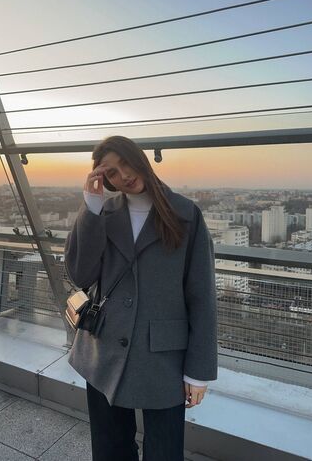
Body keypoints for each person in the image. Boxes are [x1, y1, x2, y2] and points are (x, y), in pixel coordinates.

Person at [65, 135, 217, 461]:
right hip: (104, 350)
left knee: (164, 451)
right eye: (112, 172)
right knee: (110, 449)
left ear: (140, 159)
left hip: (163, 357)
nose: (124, 176)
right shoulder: (104, 213)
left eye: (126, 164)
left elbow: (202, 296)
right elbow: (81, 275)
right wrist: (90, 208)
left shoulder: (185, 215)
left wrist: (198, 371)